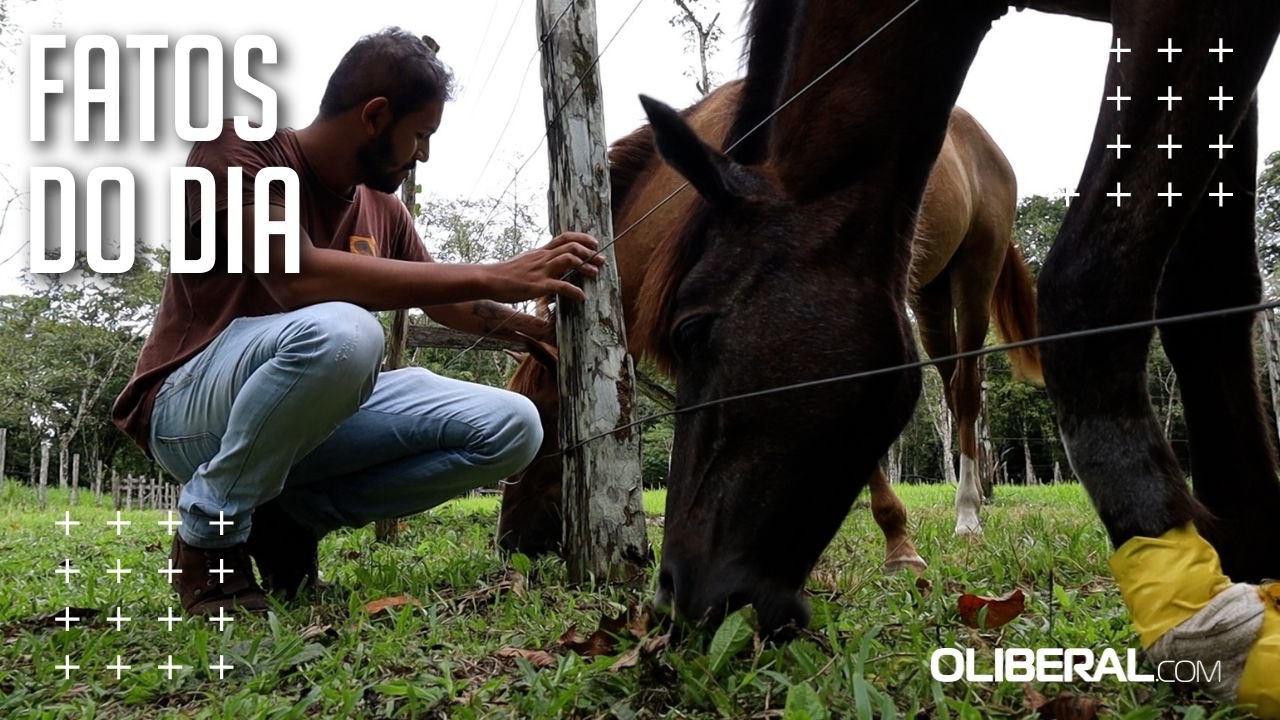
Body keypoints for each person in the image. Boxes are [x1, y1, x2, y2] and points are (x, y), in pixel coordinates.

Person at [111, 28, 604, 616]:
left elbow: (446, 307)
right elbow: (296, 277)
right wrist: (498, 271)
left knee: (514, 426)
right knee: (347, 331)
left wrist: (542, 329)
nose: (423, 153)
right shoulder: (242, 150)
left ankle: (290, 520)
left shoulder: (384, 210)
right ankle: (207, 538)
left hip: (305, 417)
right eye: (420, 135)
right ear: (375, 116)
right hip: (190, 407)